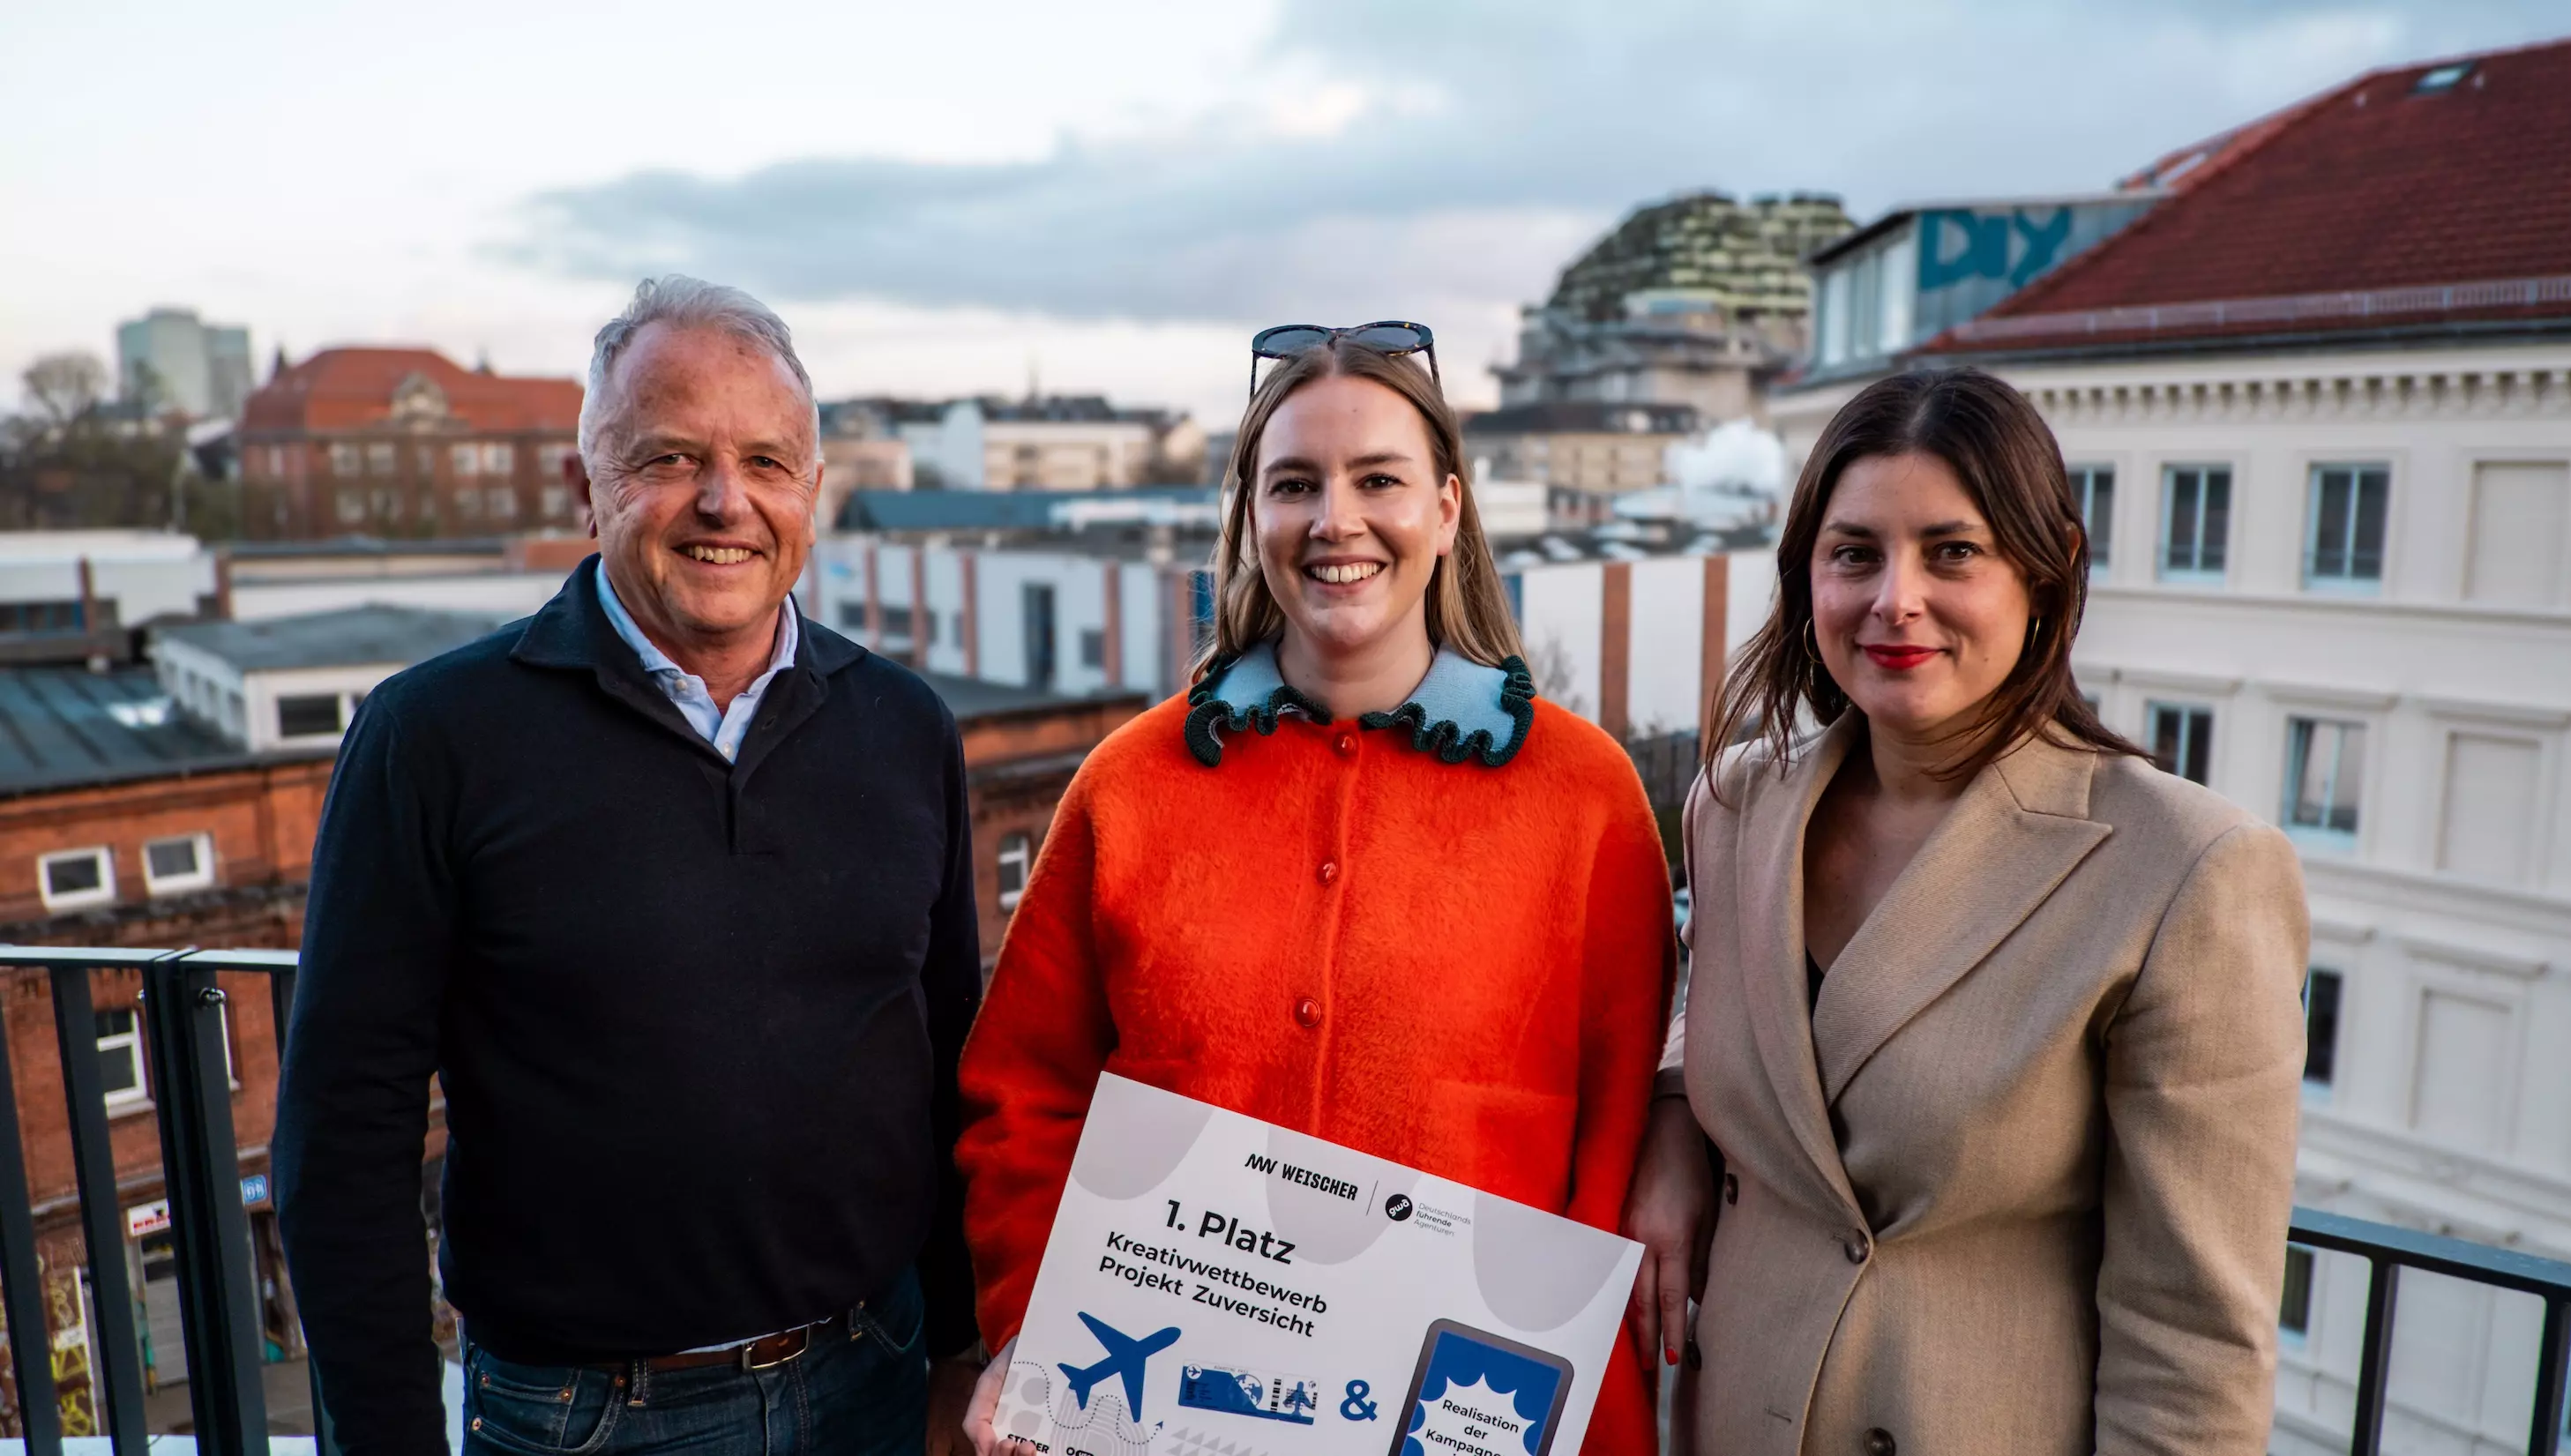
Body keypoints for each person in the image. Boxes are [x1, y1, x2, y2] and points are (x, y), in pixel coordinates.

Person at [273, 275, 983, 1456]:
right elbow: (343, 1136)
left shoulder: (905, 726)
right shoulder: (433, 736)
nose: (725, 501)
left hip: (874, 1376)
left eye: (766, 461)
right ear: (587, 485)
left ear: (814, 494)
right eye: (668, 457)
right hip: (584, 1416)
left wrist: (958, 1347)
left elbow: (948, 1056)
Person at [954, 325, 1675, 1455]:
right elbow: (1024, 1098)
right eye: (1295, 484)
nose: (1336, 519)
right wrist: (1033, 1332)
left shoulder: (1585, 796)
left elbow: (1622, 1138)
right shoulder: (1131, 784)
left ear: (1445, 511)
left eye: (1377, 479)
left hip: (1473, 1414)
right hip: (1161, 1414)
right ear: (1252, 518)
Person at [1622, 368, 2309, 1456]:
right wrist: (1669, 1120)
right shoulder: (1739, 800)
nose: (1896, 598)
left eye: (1953, 552)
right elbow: (1704, 1000)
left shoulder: (2188, 870)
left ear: (2046, 574)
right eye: (1856, 554)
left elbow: (2195, 1343)